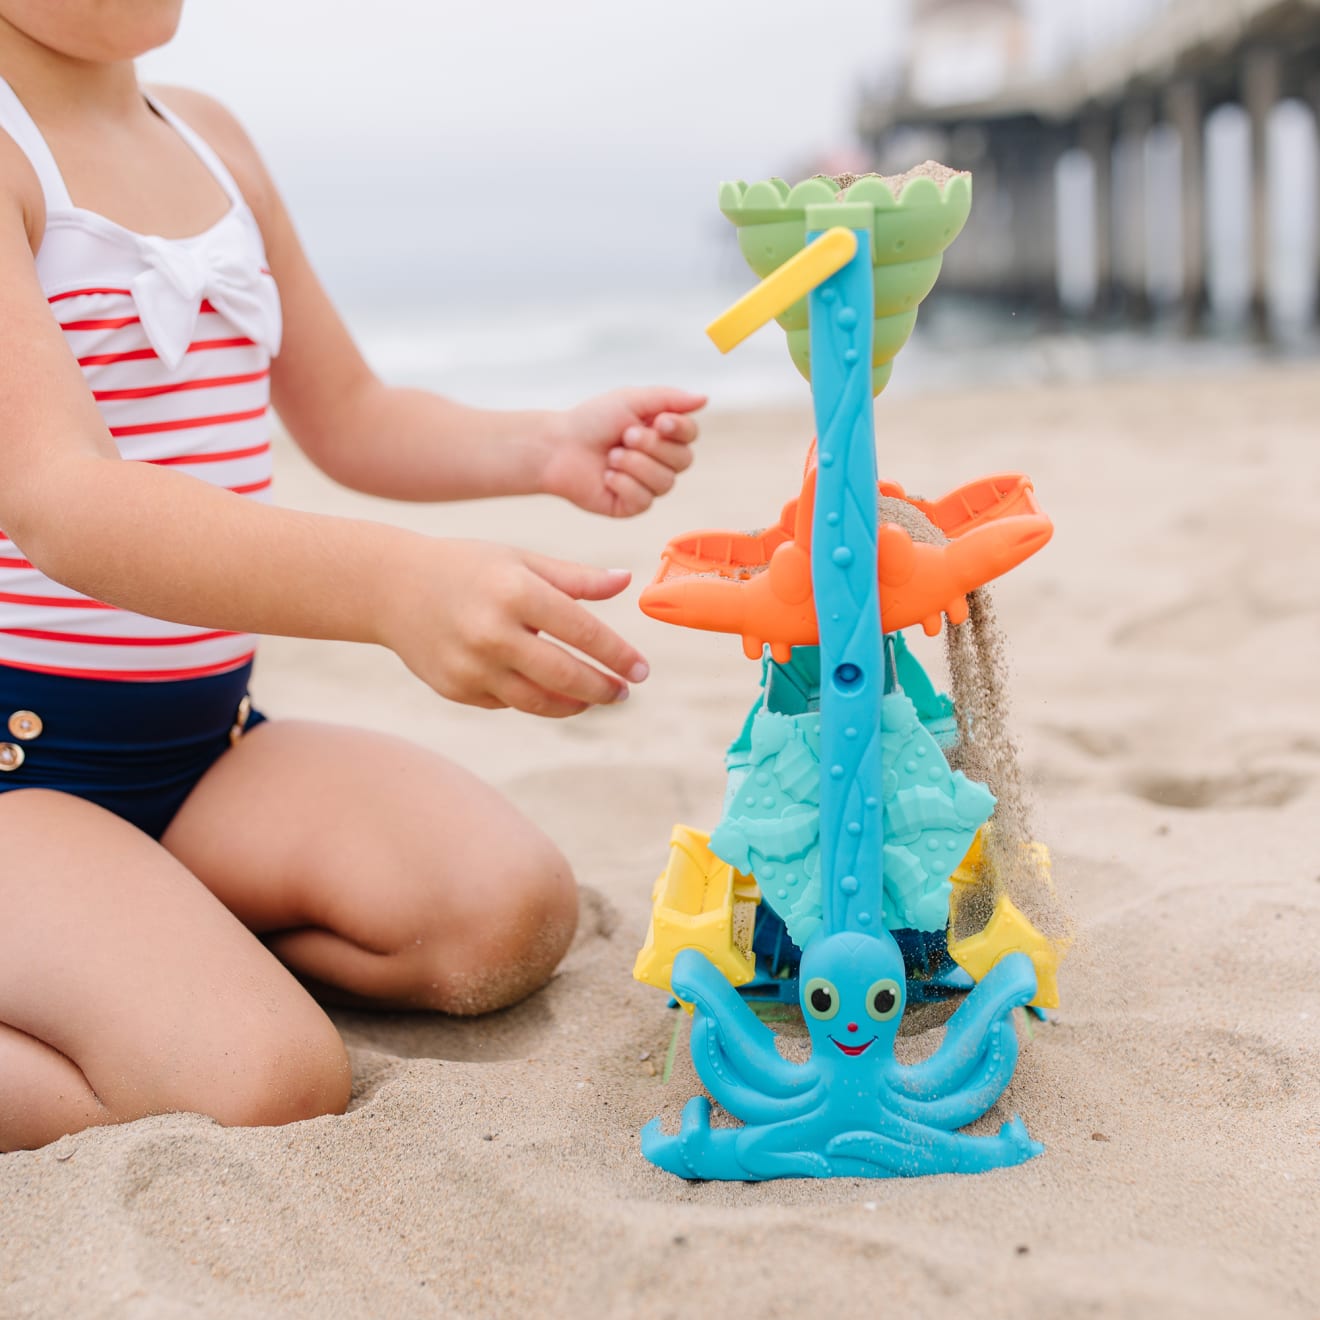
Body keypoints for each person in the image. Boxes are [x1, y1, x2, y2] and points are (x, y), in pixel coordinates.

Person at [0, 0, 705, 1152]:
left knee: (504, 914)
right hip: (18, 775)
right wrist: (391, 588)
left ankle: (149, 940)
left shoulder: (213, 140)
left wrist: (542, 444)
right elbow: (61, 501)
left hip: (205, 749)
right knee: (264, 1082)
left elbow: (352, 414)